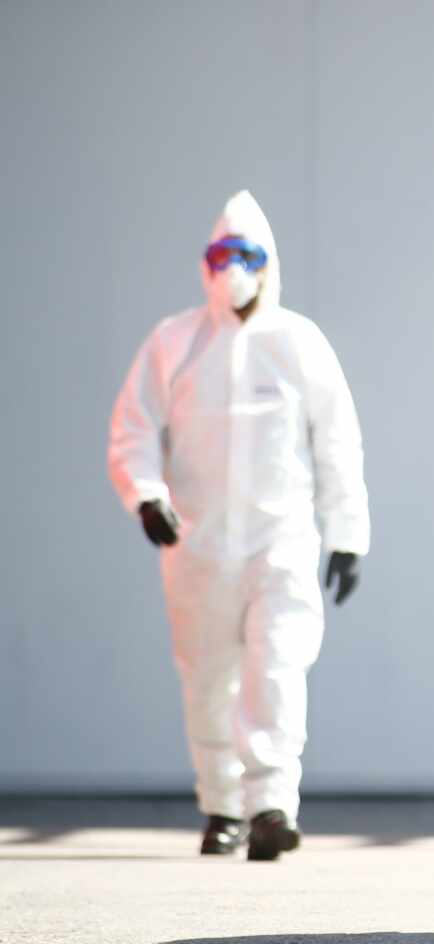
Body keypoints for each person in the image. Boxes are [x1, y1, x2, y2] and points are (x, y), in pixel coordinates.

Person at [108, 190, 370, 861]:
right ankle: (222, 807)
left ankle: (271, 806)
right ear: (205, 264)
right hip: (195, 545)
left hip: (279, 541)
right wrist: (145, 494)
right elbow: (134, 427)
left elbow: (337, 441)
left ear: (268, 262)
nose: (234, 267)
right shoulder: (175, 341)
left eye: (246, 255)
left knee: (278, 669)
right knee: (207, 678)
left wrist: (347, 534)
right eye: (221, 255)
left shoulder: (298, 341)